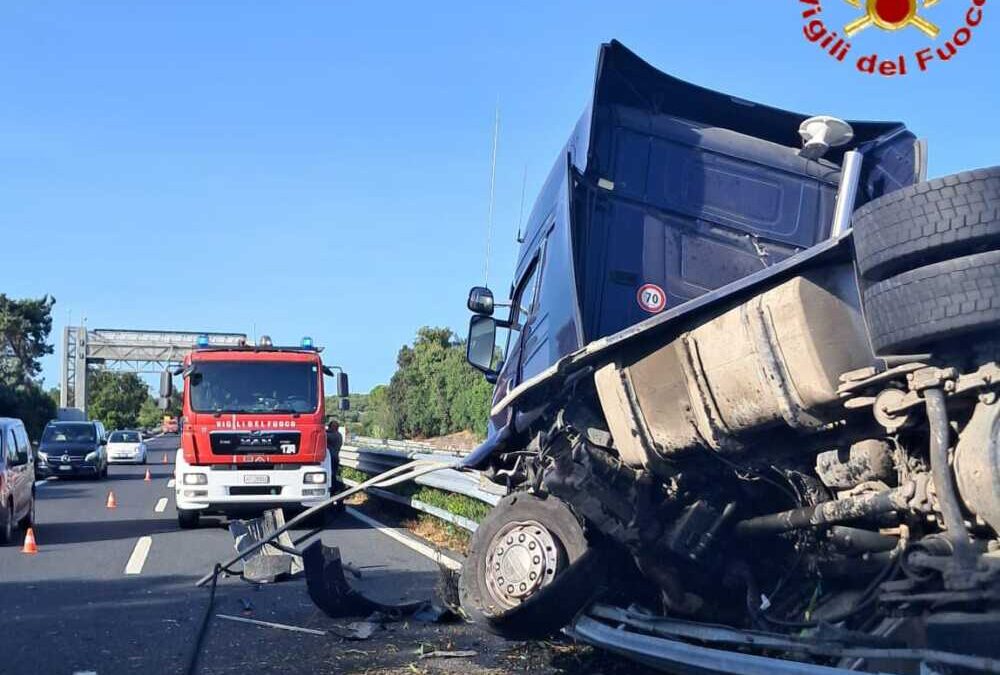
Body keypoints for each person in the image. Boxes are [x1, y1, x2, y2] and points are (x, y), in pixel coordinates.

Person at [326, 419, 345, 512]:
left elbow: (327, 437)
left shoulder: (333, 436)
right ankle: (337, 500)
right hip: (335, 459)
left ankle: (334, 498)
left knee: (332, 480)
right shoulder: (339, 435)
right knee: (334, 478)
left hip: (331, 460)